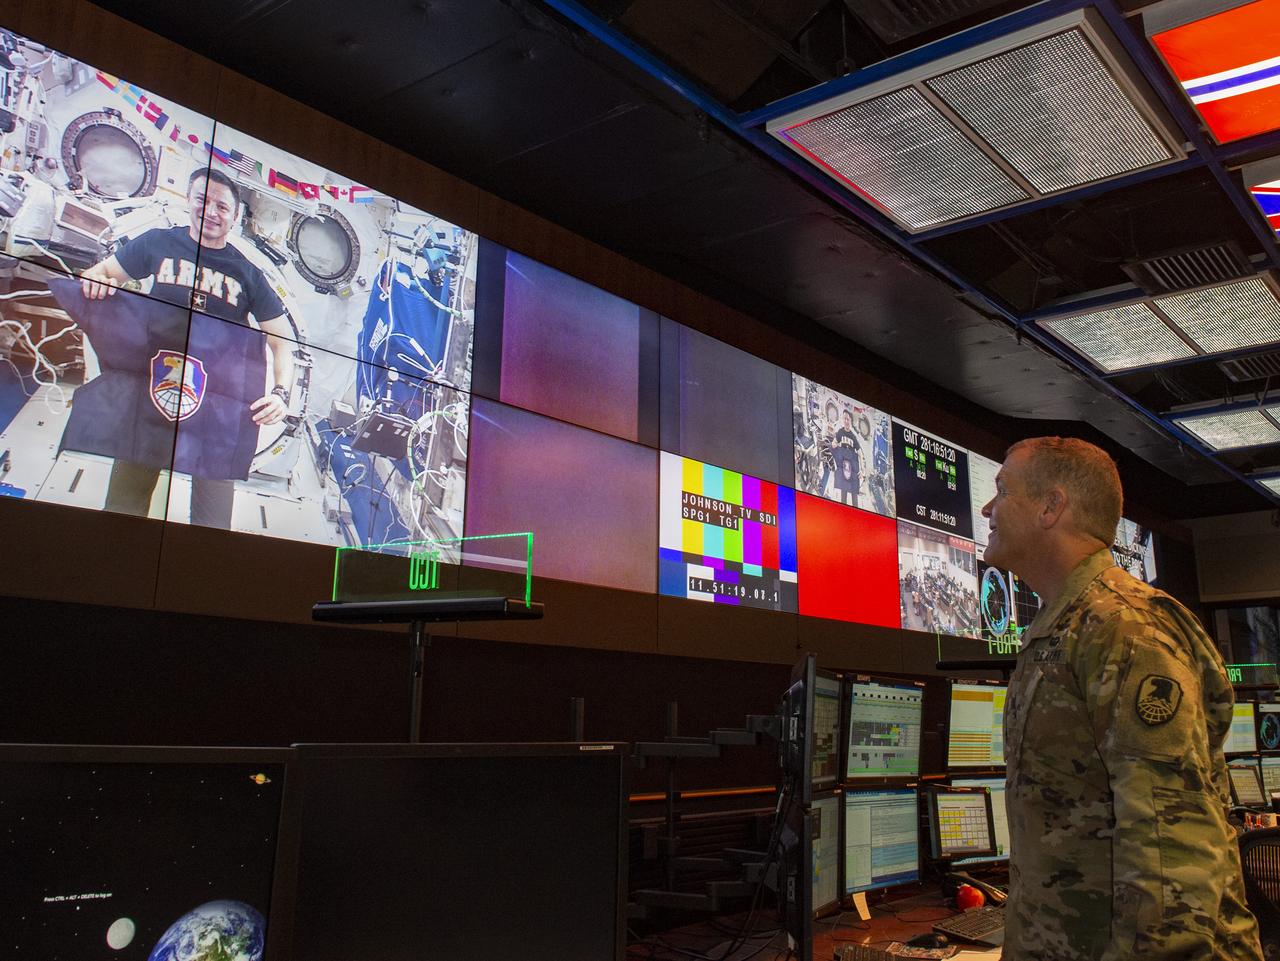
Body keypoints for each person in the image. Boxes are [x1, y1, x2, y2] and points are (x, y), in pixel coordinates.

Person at [981, 436, 1262, 961]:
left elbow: (1169, 843)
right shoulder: (1062, 627)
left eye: (1002, 490)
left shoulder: (1126, 627)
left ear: (1051, 506)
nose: (987, 507)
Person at [73, 166, 294, 527]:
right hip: (152, 396)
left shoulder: (247, 273)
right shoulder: (158, 242)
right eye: (202, 200)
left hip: (218, 410)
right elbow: (100, 273)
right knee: (122, 510)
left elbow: (281, 339)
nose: (211, 211)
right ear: (188, 202)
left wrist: (281, 392)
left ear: (235, 216)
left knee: (212, 526)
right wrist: (96, 281)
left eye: (222, 207)